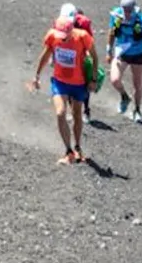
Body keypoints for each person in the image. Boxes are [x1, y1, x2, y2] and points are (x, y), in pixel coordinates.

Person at [30, 11, 100, 164]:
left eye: (65, 36)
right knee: (60, 112)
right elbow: (46, 54)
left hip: (79, 83)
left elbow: (94, 57)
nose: (62, 38)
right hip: (60, 82)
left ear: (70, 31)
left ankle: (77, 146)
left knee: (76, 115)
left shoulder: (82, 37)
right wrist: (37, 75)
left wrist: (93, 79)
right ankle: (68, 151)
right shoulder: (53, 36)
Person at [107, 0, 142, 122]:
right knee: (114, 79)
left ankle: (137, 109)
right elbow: (112, 32)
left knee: (137, 84)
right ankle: (124, 96)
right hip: (121, 53)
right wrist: (109, 50)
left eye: (129, 10)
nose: (127, 13)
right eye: (125, 10)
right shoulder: (116, 16)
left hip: (138, 54)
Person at [61, 2, 103, 122]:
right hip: (69, 56)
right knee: (67, 82)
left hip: (81, 55)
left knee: (84, 83)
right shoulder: (63, 24)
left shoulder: (83, 25)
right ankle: (74, 111)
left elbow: (89, 42)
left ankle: (86, 110)